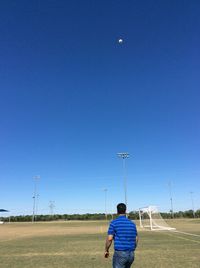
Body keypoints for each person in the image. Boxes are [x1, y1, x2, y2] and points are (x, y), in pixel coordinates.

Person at [104, 203, 138, 268]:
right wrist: (133, 248)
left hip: (120, 253)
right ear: (125, 211)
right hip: (131, 254)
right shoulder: (132, 223)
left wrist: (106, 250)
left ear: (117, 211)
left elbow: (110, 238)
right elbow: (136, 238)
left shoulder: (114, 223)